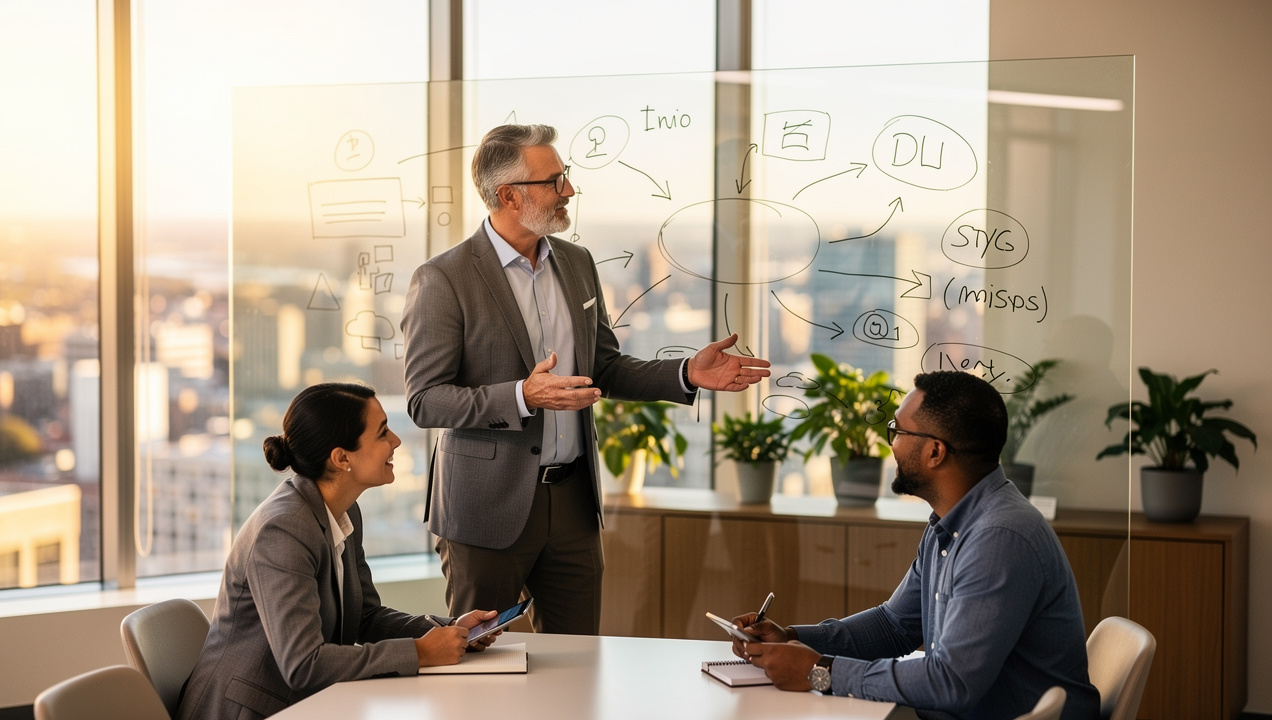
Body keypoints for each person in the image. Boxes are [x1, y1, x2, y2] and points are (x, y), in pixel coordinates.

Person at [401, 123, 771, 635]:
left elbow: (604, 367)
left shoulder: (575, 263)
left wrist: (686, 372)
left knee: (578, 667)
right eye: (553, 181)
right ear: (508, 195)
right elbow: (425, 400)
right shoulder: (444, 278)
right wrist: (521, 396)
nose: (568, 191)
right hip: (486, 510)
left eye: (565, 177)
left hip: (573, 505)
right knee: (478, 668)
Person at [730, 371, 1100, 720]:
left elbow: (951, 683)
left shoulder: (998, 538)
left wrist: (820, 671)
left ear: (935, 452)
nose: (890, 444)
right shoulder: (953, 522)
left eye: (897, 431)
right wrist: (793, 638)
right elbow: (894, 626)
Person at [177, 383, 501, 720]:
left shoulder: (343, 511)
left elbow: (365, 616)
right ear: (341, 458)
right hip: (250, 710)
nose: (396, 441)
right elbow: (303, 665)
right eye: (382, 433)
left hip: (306, 704)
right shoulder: (283, 529)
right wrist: (419, 653)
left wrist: (451, 631)